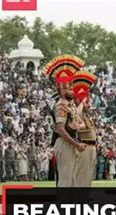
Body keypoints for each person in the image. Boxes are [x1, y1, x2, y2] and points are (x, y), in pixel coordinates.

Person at [44, 55, 87, 187]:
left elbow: (79, 121)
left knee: (72, 180)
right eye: (69, 88)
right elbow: (61, 130)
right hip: (64, 143)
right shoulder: (61, 106)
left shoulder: (70, 105)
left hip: (70, 142)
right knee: (65, 180)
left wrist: (76, 126)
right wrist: (76, 144)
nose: (72, 91)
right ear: (62, 90)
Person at [72, 71, 98, 187]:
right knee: (82, 173)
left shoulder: (86, 115)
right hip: (85, 146)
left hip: (92, 146)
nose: (89, 105)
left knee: (88, 173)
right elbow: (77, 113)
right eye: (87, 102)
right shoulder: (78, 113)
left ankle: (85, 195)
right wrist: (82, 101)